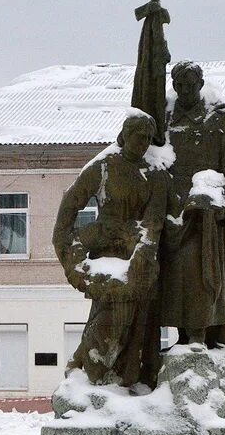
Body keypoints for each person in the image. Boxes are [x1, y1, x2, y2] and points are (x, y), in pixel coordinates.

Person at [52, 112, 169, 387]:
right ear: (124, 136)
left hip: (137, 256)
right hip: (104, 254)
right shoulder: (104, 166)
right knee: (111, 319)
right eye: (137, 137)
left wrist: (142, 254)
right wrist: (68, 254)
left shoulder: (154, 175)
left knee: (135, 326)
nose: (142, 143)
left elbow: (152, 223)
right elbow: (70, 205)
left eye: (147, 139)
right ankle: (93, 369)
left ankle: (115, 376)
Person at [160, 60, 225, 347]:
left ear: (200, 84)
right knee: (172, 276)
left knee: (199, 272)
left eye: (190, 84)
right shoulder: (165, 118)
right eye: (179, 84)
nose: (184, 90)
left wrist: (224, 204)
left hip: (206, 211)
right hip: (171, 209)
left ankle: (199, 334)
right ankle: (183, 335)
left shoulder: (220, 119)